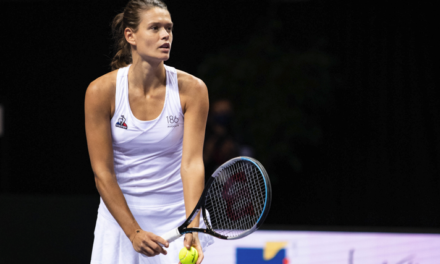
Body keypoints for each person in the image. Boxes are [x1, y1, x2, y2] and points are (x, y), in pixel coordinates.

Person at [84, 0, 213, 263]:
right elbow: (102, 173)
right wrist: (133, 232)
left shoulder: (193, 90)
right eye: (154, 28)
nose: (165, 35)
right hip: (120, 221)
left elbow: (191, 164)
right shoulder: (100, 92)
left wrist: (193, 224)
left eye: (169, 28)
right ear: (130, 35)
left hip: (176, 217)